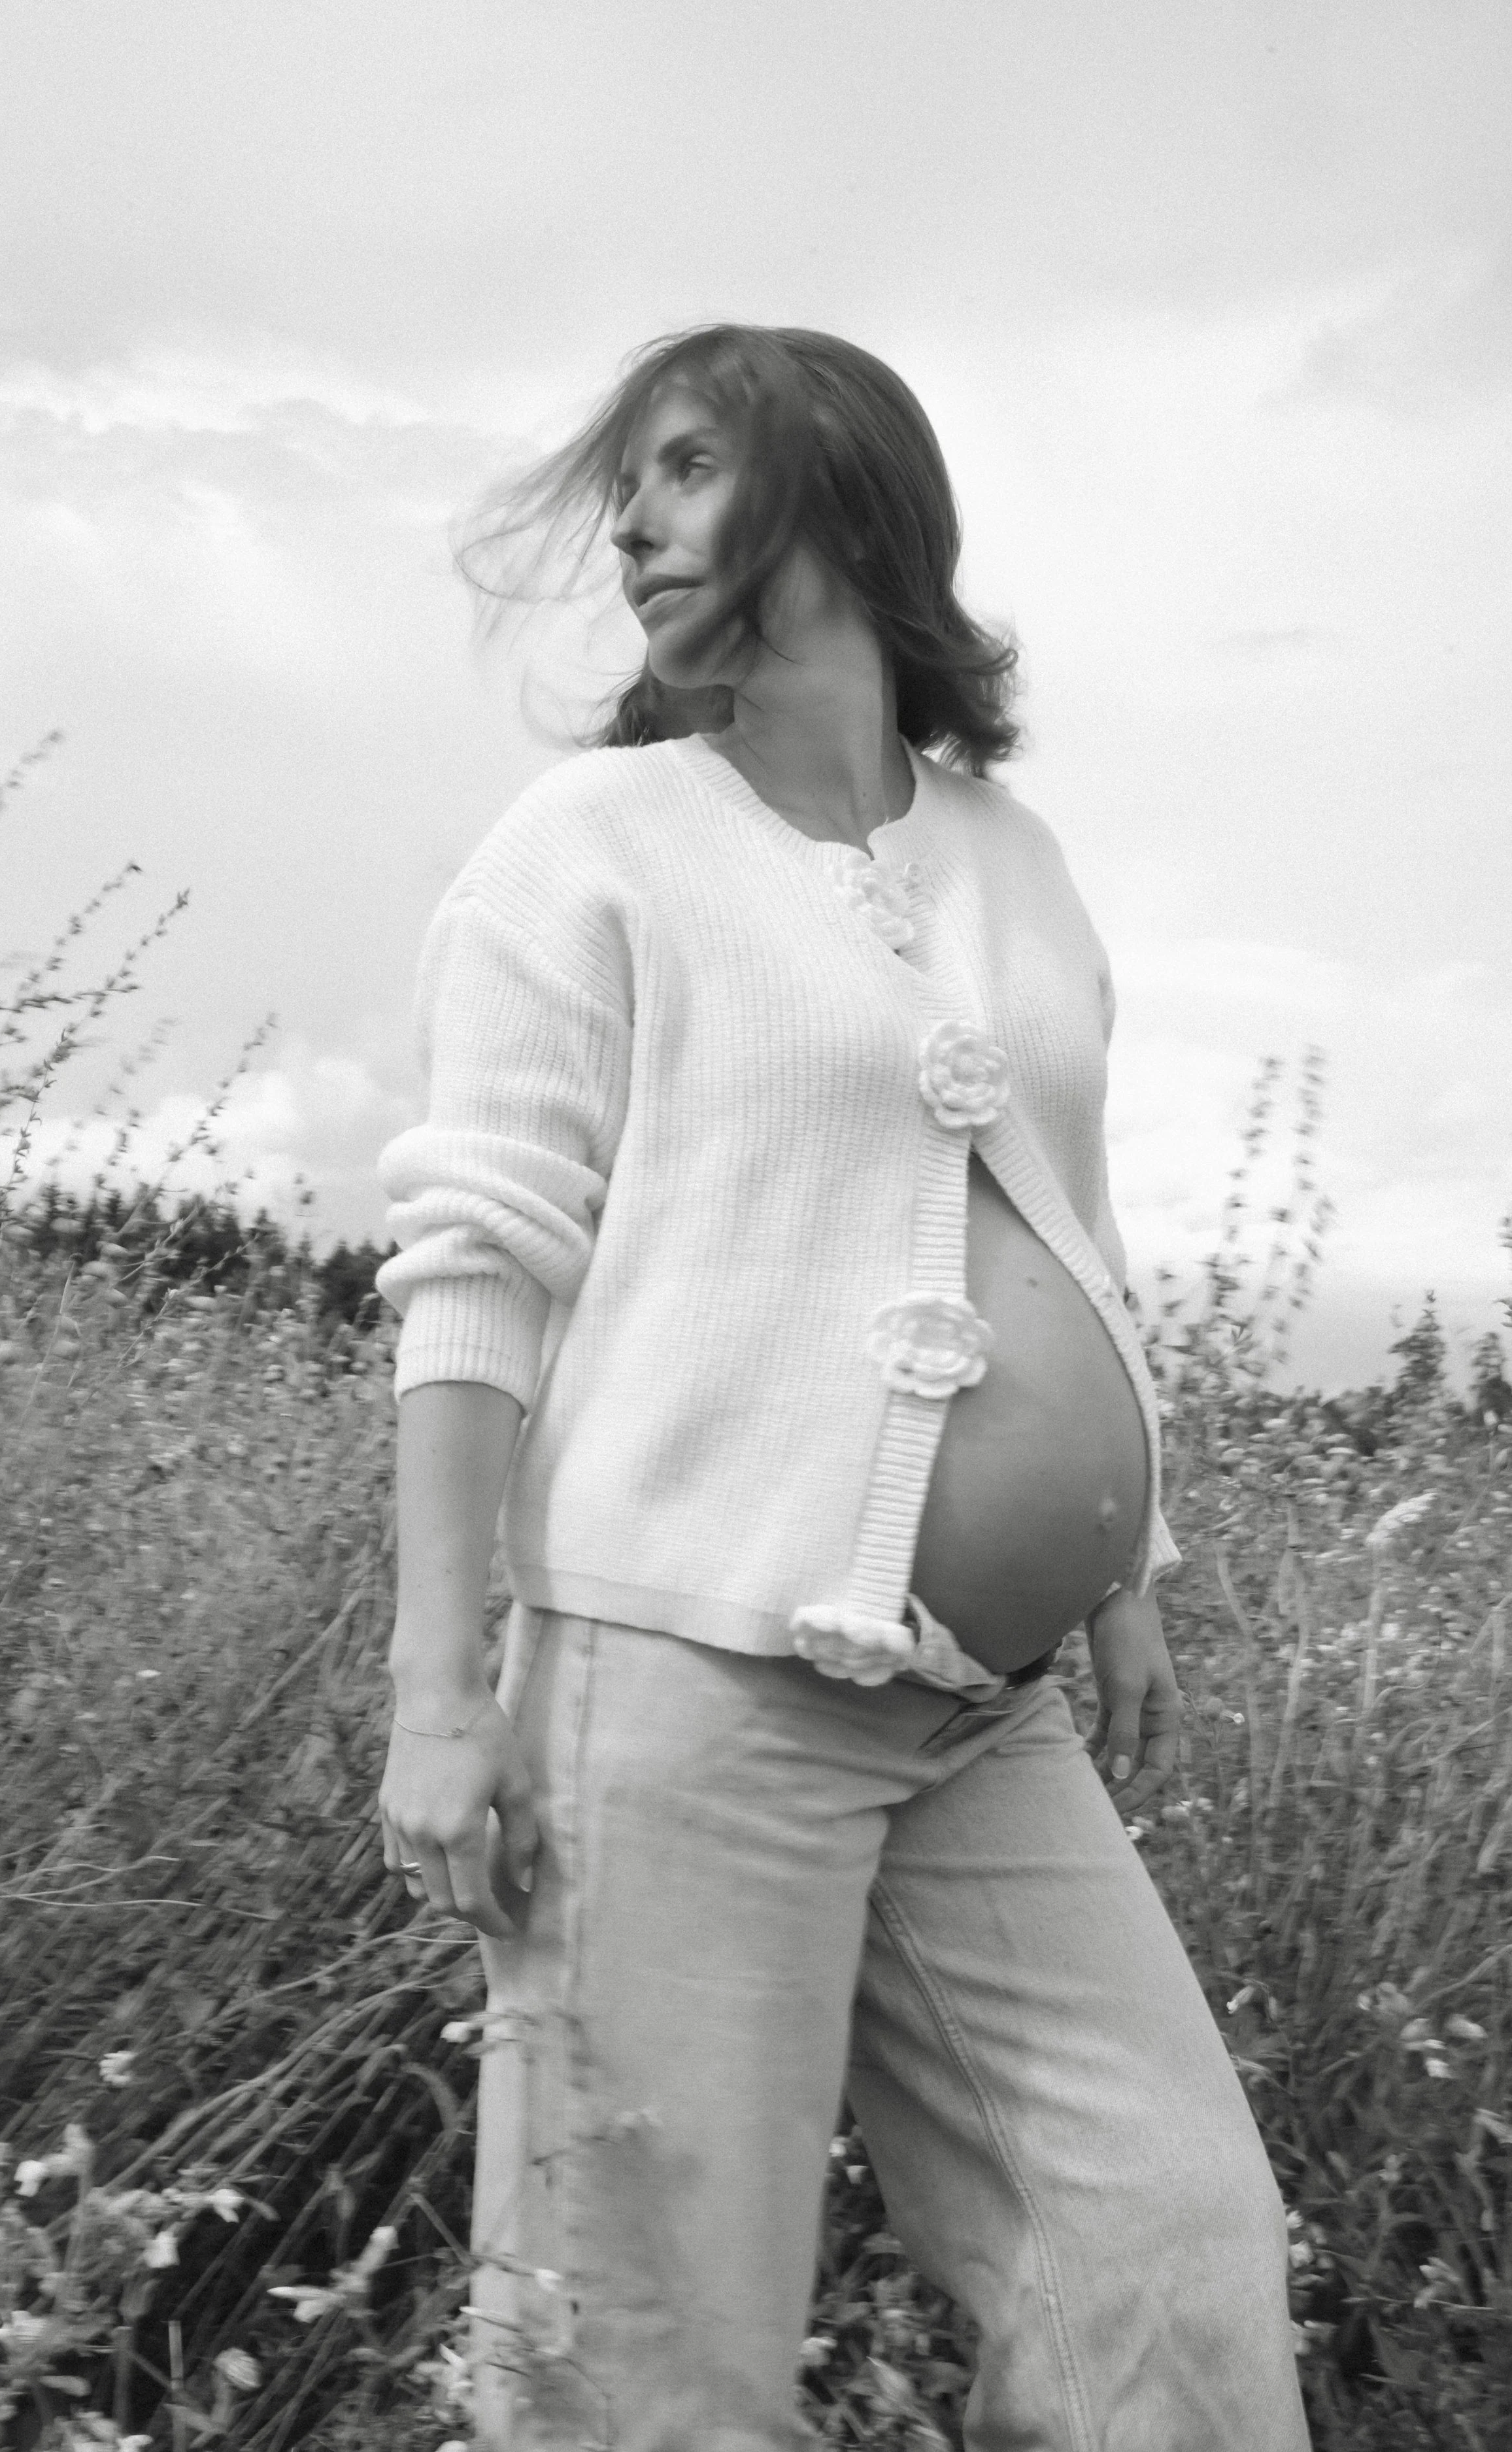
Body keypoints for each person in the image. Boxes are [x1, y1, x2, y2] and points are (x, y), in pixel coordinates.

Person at [374, 325, 1309, 2452]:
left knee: (1163, 2248)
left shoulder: (1012, 858)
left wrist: (1122, 1554)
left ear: (845, 499)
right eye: (632, 481)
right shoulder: (587, 843)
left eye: (688, 466)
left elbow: (1065, 1215)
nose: (631, 522)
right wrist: (443, 1697)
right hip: (683, 1692)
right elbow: (471, 1271)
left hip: (984, 1712)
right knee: (638, 2366)